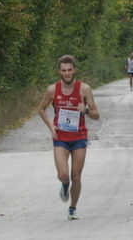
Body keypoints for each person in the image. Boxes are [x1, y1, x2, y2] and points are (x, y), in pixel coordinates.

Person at [38, 54, 100, 220]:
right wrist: (51, 126)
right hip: (61, 137)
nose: (67, 73)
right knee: (63, 174)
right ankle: (65, 185)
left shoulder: (84, 89)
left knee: (76, 175)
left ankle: (72, 207)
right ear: (59, 72)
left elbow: (96, 115)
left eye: (69, 70)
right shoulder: (52, 90)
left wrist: (85, 110)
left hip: (79, 137)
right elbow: (41, 109)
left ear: (75, 70)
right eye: (64, 70)